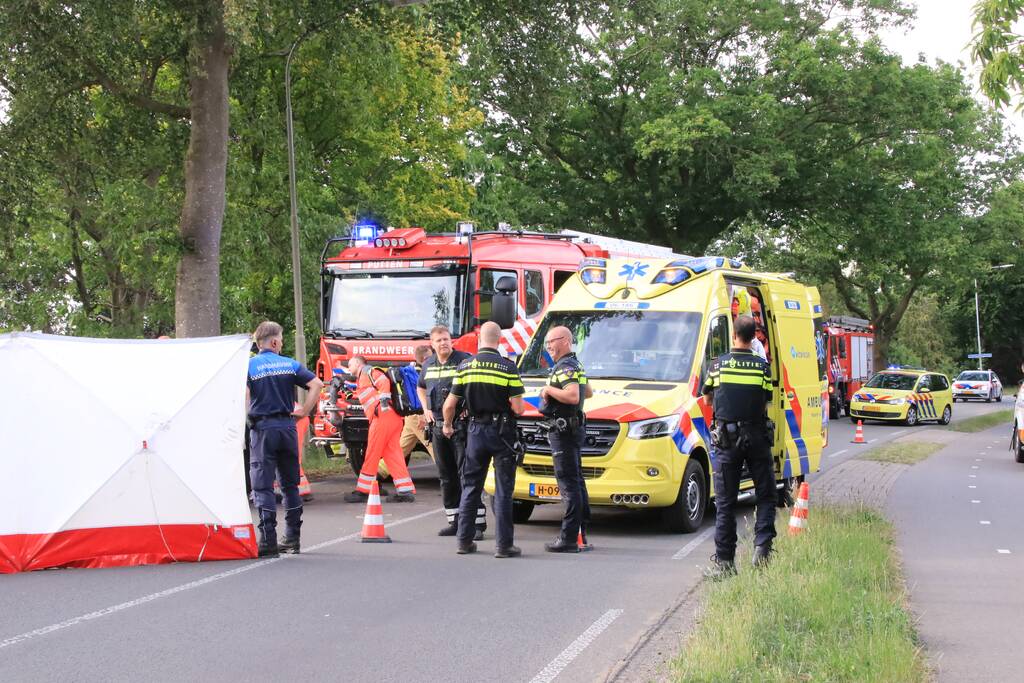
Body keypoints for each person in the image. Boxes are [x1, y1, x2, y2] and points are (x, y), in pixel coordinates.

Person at [443, 321, 525, 558]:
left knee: (470, 487)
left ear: (480, 340)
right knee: (503, 490)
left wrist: (448, 425)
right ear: (499, 340)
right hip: (502, 433)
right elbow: (519, 408)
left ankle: (464, 541)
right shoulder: (508, 367)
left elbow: (450, 404)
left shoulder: (465, 366)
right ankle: (503, 546)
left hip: (475, 432)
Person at [702, 314, 775, 576]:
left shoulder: (718, 366)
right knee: (766, 494)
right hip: (756, 437)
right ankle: (762, 550)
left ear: (734, 335)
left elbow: (708, 400)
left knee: (725, 502)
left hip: (727, 439)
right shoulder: (762, 368)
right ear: (754, 337)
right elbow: (766, 400)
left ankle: (725, 564)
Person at [246, 321, 323, 557]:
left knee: (263, 485)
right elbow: (317, 384)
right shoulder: (289, 364)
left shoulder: (249, 366)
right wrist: (305, 411)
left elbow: (244, 396)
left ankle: (268, 540)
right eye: (281, 340)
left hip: (263, 429)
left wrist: (248, 417)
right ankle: (292, 537)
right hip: (288, 427)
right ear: (275, 341)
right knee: (290, 484)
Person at [417, 325, 486, 538]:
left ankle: (476, 524)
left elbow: (477, 386)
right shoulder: (428, 364)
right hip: (437, 427)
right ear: (432, 344)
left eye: (446, 339)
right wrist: (425, 408)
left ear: (451, 340)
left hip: (461, 427)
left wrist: (469, 408)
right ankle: (455, 521)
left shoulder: (464, 361)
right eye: (438, 341)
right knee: (446, 476)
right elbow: (421, 387)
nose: (443, 343)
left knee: (467, 475)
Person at [539, 326, 594, 553]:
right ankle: (580, 534)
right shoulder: (575, 365)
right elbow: (587, 392)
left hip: (564, 433)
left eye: (551, 342)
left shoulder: (566, 366)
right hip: (571, 430)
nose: (549, 347)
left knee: (569, 485)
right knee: (577, 482)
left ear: (564, 341)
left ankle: (569, 539)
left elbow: (573, 396)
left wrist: (549, 391)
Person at [343, 355, 416, 504]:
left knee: (372, 453)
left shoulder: (368, 371)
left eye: (350, 365)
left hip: (382, 417)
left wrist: (382, 402)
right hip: (393, 418)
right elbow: (362, 396)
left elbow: (383, 381)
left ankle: (364, 490)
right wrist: (346, 392)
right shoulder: (363, 378)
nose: (349, 369)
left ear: (358, 363)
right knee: (393, 454)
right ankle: (405, 490)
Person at [400, 345, 435, 464]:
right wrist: (422, 415)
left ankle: (379, 470)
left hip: (410, 415)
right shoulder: (422, 373)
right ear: (425, 358)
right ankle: (448, 476)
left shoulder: (411, 370)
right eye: (432, 356)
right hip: (419, 415)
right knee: (433, 446)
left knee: (402, 448)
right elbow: (420, 395)